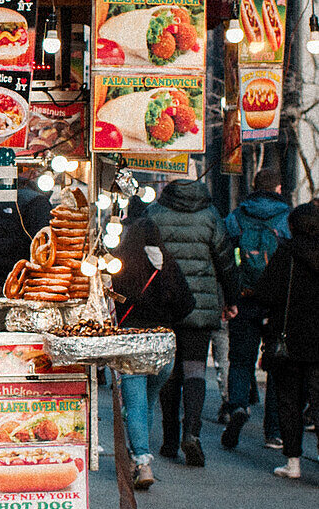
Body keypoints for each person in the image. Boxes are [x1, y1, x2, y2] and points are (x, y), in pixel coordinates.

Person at [145, 179, 240, 467]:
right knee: (196, 370)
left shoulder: (155, 214)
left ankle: (170, 439)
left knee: (169, 372)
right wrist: (231, 299)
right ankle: (193, 433)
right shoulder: (211, 216)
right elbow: (225, 261)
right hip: (200, 306)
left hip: (165, 305)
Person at [112, 217, 195, 488]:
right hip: (164, 345)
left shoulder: (123, 264)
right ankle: (139, 456)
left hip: (133, 341)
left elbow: (109, 298)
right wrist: (167, 320)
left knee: (135, 405)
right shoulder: (169, 264)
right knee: (146, 404)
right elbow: (188, 303)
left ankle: (142, 461)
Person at [221, 167, 291, 450]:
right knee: (277, 364)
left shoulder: (237, 216)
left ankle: (238, 407)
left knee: (240, 360)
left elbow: (225, 256)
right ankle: (274, 430)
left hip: (244, 298)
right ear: (278, 189)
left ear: (253, 186)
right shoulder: (288, 218)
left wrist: (229, 298)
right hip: (277, 304)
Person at [254, 201, 319, 479]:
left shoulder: (287, 254)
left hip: (288, 338)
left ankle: (293, 462)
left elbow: (266, 293)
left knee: (289, 400)